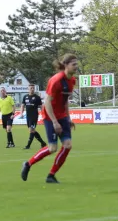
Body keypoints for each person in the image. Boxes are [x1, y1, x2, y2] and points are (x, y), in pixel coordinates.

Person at [21, 54, 78, 184]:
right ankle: (28, 164)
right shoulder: (56, 80)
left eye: (76, 64)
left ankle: (51, 175)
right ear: (66, 65)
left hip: (62, 116)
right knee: (52, 148)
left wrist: (68, 118)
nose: (76, 66)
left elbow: (65, 101)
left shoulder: (72, 81)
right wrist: (54, 121)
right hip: (50, 116)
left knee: (67, 145)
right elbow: (47, 102)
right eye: (73, 64)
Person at [21, 84, 47, 149]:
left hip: (34, 116)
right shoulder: (25, 97)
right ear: (28, 89)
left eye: (33, 88)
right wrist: (21, 113)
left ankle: (28, 145)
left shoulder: (37, 97)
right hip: (28, 116)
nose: (32, 89)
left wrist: (43, 114)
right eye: (31, 88)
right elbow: (22, 105)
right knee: (32, 131)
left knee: (31, 130)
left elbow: (41, 106)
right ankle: (43, 143)